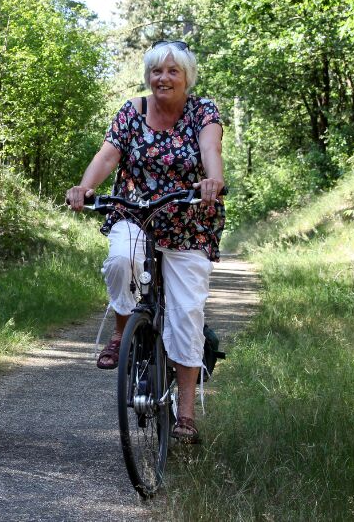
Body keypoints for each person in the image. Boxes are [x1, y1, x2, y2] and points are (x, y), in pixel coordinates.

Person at [65, 40, 225, 443]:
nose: (163, 78)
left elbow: (211, 148)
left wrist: (212, 179)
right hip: (134, 212)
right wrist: (85, 187)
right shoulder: (132, 112)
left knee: (186, 315)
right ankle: (122, 329)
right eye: (156, 71)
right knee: (121, 261)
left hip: (189, 221)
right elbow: (107, 156)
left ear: (187, 77)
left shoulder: (203, 111)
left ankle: (186, 416)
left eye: (172, 71)